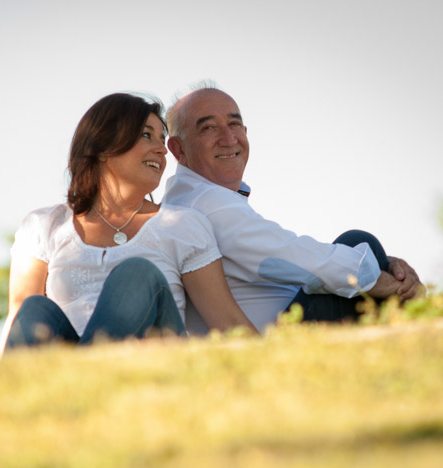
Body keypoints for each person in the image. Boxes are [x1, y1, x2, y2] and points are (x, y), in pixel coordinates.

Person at [1, 93, 257, 353]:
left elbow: (228, 321)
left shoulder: (182, 225)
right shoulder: (44, 225)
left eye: (162, 139)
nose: (160, 149)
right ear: (103, 148)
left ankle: (89, 375)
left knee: (137, 274)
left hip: (155, 370)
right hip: (67, 368)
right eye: (146, 135)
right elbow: (17, 320)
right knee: (33, 307)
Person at [162, 84, 424, 333]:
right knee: (358, 242)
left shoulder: (190, 198)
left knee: (356, 252)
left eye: (234, 124)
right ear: (178, 149)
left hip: (283, 323)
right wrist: (382, 280)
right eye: (208, 128)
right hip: (272, 342)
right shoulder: (207, 203)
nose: (229, 138)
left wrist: (383, 265)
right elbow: (290, 257)